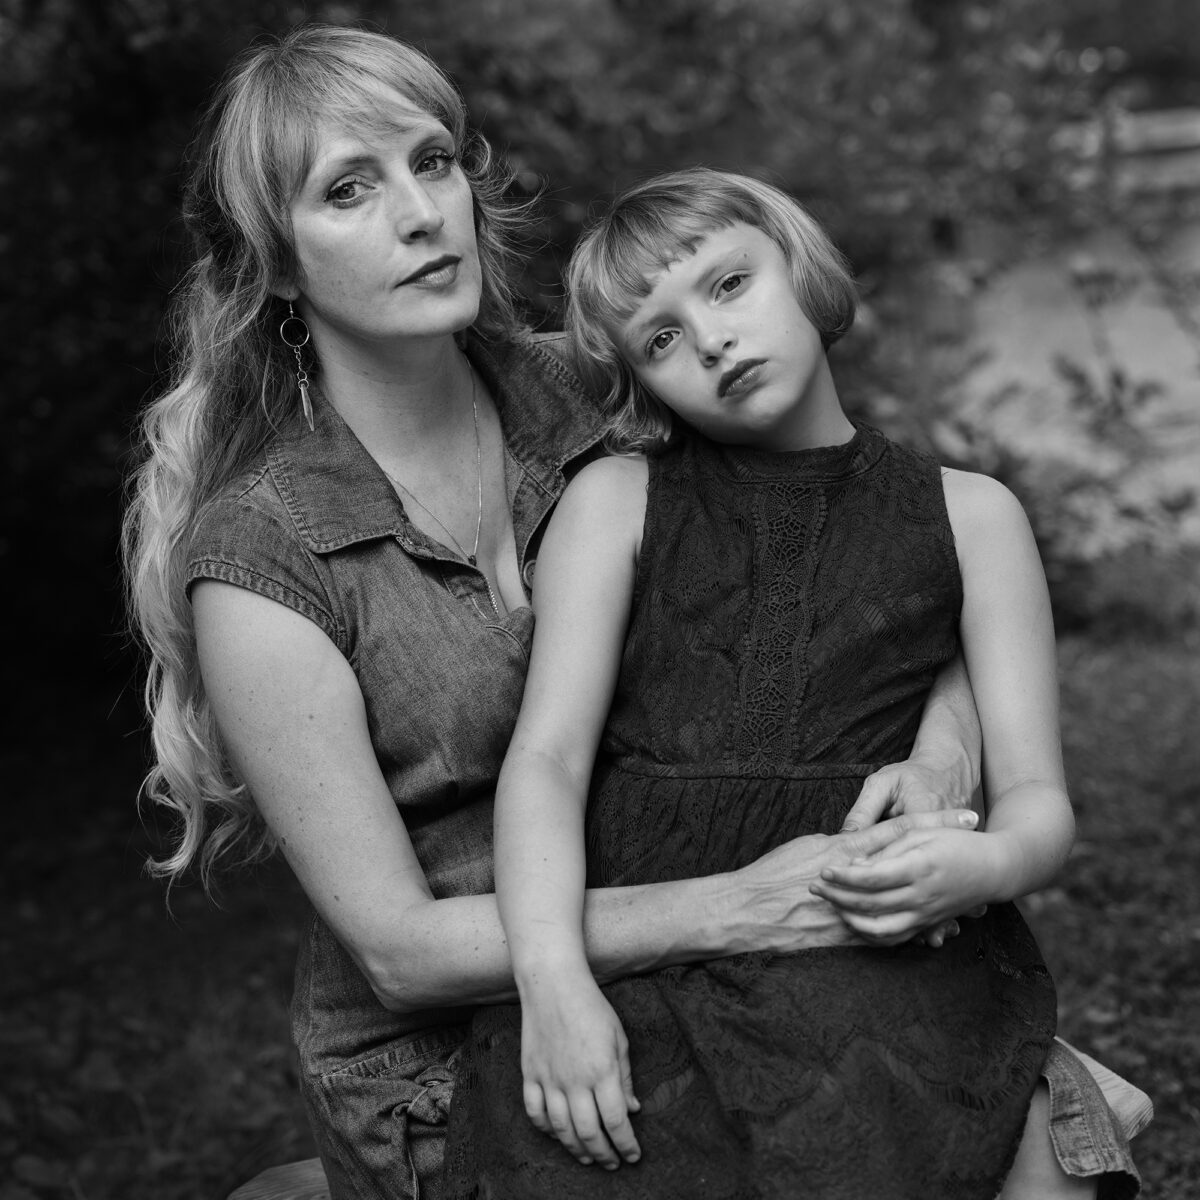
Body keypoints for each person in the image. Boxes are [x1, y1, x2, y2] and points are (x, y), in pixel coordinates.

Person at [119, 24, 1144, 1200]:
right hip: (461, 1037)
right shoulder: (260, 559)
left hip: (750, 983)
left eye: (433, 160)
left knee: (1008, 1139)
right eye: (349, 189)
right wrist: (755, 908)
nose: (418, 213)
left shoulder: (604, 388)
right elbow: (400, 955)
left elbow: (878, 556)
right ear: (279, 267)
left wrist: (948, 745)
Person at [442, 169, 1145, 1200]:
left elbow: (1040, 799)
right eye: (661, 340)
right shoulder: (619, 499)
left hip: (876, 965)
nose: (712, 341)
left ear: (801, 269)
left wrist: (987, 867)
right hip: (649, 957)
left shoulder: (974, 515)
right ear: (640, 385)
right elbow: (546, 761)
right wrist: (553, 987)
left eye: (728, 286)